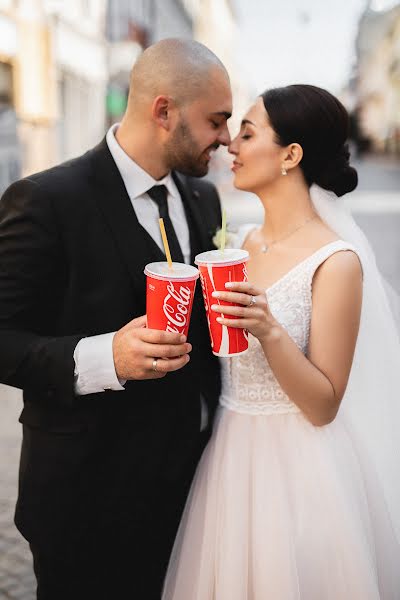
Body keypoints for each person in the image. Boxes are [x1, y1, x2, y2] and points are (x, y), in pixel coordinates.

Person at [0, 39, 232, 599]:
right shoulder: (47, 199)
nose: (226, 137)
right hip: (87, 500)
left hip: (192, 492)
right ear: (163, 111)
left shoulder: (203, 198)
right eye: (217, 120)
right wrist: (108, 356)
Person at [162, 85, 400, 599]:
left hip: (299, 468)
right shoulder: (241, 243)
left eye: (247, 134)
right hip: (228, 454)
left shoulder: (336, 262)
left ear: (291, 155)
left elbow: (323, 404)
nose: (233, 146)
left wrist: (269, 331)